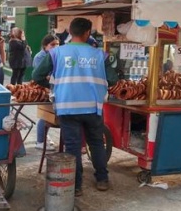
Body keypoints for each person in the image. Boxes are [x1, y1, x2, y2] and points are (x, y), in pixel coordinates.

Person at [32, 17, 117, 197]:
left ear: (70, 32)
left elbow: (37, 75)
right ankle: (102, 179)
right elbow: (113, 80)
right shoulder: (101, 55)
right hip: (93, 107)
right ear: (87, 33)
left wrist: (55, 86)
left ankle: (76, 186)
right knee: (96, 143)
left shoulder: (56, 53)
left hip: (67, 106)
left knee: (72, 146)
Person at [32, 34, 60, 151]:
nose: (55, 47)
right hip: (44, 89)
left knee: (49, 115)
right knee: (45, 115)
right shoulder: (40, 57)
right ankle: (40, 141)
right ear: (45, 46)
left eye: (57, 45)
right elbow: (41, 74)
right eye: (52, 45)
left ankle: (44, 136)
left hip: (53, 89)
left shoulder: (57, 56)